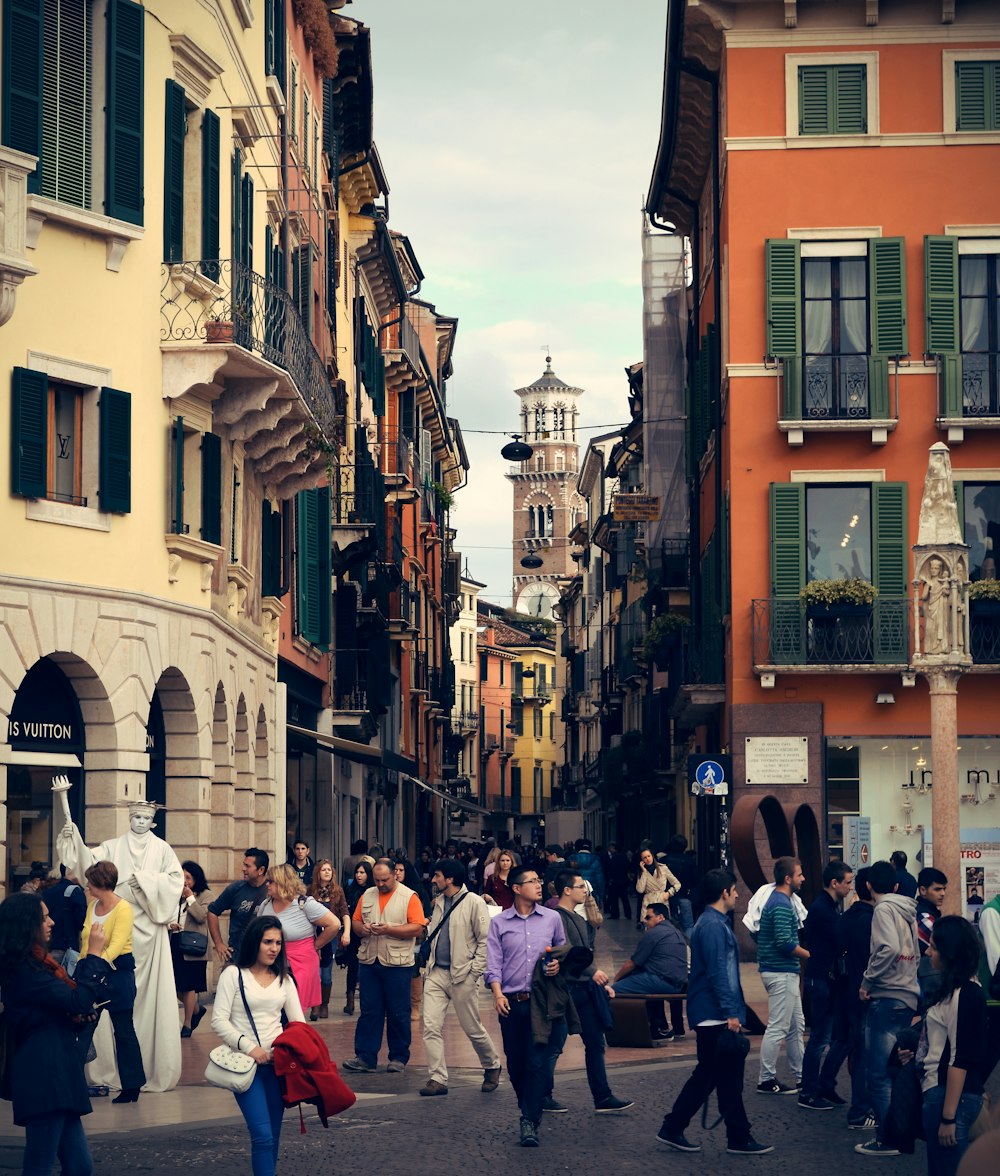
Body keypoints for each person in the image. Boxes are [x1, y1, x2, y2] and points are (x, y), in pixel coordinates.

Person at [56, 795, 182, 1093]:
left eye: (144, 818)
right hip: (112, 936)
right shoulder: (113, 846)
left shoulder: (162, 849)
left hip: (149, 930)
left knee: (138, 1005)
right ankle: (105, 1071)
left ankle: (141, 1073)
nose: (139, 822)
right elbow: (87, 861)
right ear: (129, 819)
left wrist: (147, 881)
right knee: (106, 1011)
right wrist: (73, 837)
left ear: (152, 821)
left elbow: (175, 881)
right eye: (135, 817)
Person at [656, 869, 773, 1156]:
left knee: (718, 1077)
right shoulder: (712, 926)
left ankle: (734, 1134)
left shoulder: (711, 924)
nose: (736, 894)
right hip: (714, 1014)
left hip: (713, 1011)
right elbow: (718, 972)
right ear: (724, 893)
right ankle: (725, 1134)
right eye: (733, 890)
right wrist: (731, 1012)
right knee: (713, 1076)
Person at [0, 891, 113, 1176]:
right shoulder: (26, 970)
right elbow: (77, 1000)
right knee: (40, 1163)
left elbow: (59, 1012)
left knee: (79, 1166)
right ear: (27, 924)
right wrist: (95, 954)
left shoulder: (40, 965)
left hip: (57, 1069)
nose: (51, 922)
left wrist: (76, 1018)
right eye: (44, 917)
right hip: (43, 1074)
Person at [211, 916, 306, 1176]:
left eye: (278, 942)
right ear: (255, 942)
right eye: (267, 942)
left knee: (273, 1136)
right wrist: (251, 1049)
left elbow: (299, 1024)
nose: (274, 948)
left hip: (278, 1066)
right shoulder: (234, 974)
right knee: (262, 1135)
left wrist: (285, 1050)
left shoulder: (284, 979)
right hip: (247, 1066)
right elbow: (218, 1020)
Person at [485, 862, 566, 1147]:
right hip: (510, 1002)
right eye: (532, 881)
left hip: (540, 1004)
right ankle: (529, 1105)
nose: (539, 885)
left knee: (536, 1063)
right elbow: (493, 963)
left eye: (539, 880)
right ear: (517, 888)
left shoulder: (552, 918)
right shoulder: (499, 923)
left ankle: (529, 1119)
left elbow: (562, 951)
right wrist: (497, 994)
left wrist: (557, 964)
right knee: (516, 1064)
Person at [549, 870, 633, 1113]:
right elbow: (567, 953)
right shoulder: (557, 917)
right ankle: (543, 1095)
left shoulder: (577, 917)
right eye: (580, 887)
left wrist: (595, 980)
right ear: (567, 890)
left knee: (595, 1043)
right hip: (566, 990)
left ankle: (603, 1096)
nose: (585, 890)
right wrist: (592, 971)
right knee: (555, 1045)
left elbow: (582, 952)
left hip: (584, 988)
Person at [419, 858, 502, 1097]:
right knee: (431, 1026)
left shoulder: (475, 903)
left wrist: (474, 971)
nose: (433, 880)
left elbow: (486, 940)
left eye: (437, 875)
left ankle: (492, 1064)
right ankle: (437, 1078)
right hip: (436, 973)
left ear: (450, 879)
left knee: (471, 1026)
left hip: (462, 975)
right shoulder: (438, 903)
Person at [854, 858, 920, 1157]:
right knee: (896, 1070)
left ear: (869, 886)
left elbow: (889, 948)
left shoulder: (882, 909)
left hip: (887, 995)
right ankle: (900, 1133)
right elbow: (915, 952)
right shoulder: (908, 910)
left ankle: (888, 1137)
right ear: (895, 885)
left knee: (878, 1074)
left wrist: (867, 981)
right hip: (907, 994)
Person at [343, 858, 427, 1074]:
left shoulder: (409, 896)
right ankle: (365, 1057)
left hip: (397, 963)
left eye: (385, 880)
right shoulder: (367, 894)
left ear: (395, 875)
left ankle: (398, 1057)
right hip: (370, 960)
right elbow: (356, 922)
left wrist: (389, 929)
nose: (380, 884)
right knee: (369, 1011)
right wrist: (364, 929)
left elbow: (417, 928)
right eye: (377, 880)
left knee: (398, 1011)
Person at [920, 917, 989, 1176]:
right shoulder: (957, 990)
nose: (928, 952)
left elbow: (959, 1058)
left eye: (934, 947)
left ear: (950, 953)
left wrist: (948, 1117)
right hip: (945, 1095)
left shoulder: (965, 993)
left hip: (949, 1098)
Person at [78, 860, 146, 1103]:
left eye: (90, 882)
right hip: (94, 971)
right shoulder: (93, 905)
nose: (87, 886)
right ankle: (73, 1080)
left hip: (117, 974)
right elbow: (86, 938)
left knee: (124, 1030)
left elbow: (117, 944)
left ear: (100, 883)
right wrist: (84, 967)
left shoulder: (123, 908)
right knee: (83, 1027)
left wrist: (96, 965)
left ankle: (132, 1086)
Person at [799, 860, 853, 1109]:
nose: (850, 887)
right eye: (848, 882)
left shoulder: (829, 906)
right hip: (821, 978)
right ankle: (808, 1092)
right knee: (820, 1037)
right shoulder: (823, 908)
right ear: (835, 883)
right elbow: (840, 937)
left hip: (826, 978)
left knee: (832, 1035)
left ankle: (824, 1085)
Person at [756, 856, 810, 1095]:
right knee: (778, 1027)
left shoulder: (781, 901)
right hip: (780, 972)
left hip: (783, 971)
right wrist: (811, 955)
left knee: (796, 1026)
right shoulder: (780, 903)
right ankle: (766, 1079)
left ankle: (802, 1076)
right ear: (788, 879)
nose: (803, 879)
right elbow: (784, 942)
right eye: (799, 875)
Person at [255, 864, 340, 1015]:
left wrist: (316, 945)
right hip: (272, 962)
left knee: (292, 1011)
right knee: (272, 1008)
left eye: (271, 881)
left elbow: (334, 924)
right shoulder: (266, 904)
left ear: (282, 883)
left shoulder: (304, 903)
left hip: (300, 963)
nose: (267, 884)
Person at [835, 867, 877, 1130]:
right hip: (866, 992)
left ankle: (860, 1109)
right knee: (866, 1054)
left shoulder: (846, 916)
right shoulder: (872, 919)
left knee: (857, 1051)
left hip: (848, 991)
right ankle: (861, 1111)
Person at [610, 902, 688, 1040]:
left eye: (648, 917)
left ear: (660, 917)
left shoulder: (654, 933)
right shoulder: (676, 932)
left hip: (661, 981)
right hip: (676, 983)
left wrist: (616, 979)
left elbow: (632, 963)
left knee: (614, 991)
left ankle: (614, 1028)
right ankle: (656, 1028)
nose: (644, 920)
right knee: (644, 985)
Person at [168, 860, 214, 1038]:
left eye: (188, 877)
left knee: (188, 987)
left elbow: (202, 916)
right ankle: (196, 1009)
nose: (185, 881)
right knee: (175, 985)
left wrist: (189, 897)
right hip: (176, 942)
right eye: (182, 877)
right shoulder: (174, 895)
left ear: (197, 878)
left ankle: (187, 1024)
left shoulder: (206, 895)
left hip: (194, 946)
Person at [207, 848, 270, 963]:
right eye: (243, 865)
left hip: (263, 956)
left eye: (248, 866)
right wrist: (219, 944)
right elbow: (212, 912)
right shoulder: (235, 888)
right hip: (237, 955)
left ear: (261, 870)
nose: (243, 869)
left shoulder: (272, 890)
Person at [308, 858, 350, 1020]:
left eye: (329, 870)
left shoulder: (337, 891)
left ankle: (324, 1003)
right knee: (313, 973)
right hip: (312, 935)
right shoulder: (309, 891)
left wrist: (346, 932)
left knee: (325, 974)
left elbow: (345, 913)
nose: (327, 872)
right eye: (323, 869)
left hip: (331, 937)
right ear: (318, 872)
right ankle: (315, 1006)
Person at [341, 860, 373, 1015]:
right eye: (357, 872)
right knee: (352, 966)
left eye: (363, 873)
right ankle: (350, 1001)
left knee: (367, 968)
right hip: (353, 933)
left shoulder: (373, 891)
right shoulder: (349, 888)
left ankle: (366, 1001)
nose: (359, 876)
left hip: (370, 933)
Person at [917, 867, 949, 1005]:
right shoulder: (923, 916)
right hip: (930, 976)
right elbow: (946, 945)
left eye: (944, 889)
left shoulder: (929, 912)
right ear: (923, 890)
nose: (942, 893)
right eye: (937, 889)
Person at [46, 867, 87, 971]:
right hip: (67, 947)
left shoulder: (48, 892)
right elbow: (83, 923)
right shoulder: (75, 891)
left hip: (48, 946)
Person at [634, 843, 680, 925]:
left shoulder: (663, 868)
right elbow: (640, 890)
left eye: (648, 856)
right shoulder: (642, 872)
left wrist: (669, 893)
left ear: (652, 855)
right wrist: (644, 872)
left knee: (663, 926)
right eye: (644, 858)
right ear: (642, 860)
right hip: (648, 902)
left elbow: (677, 884)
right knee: (648, 927)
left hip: (661, 899)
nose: (647, 859)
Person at [603, 842, 632, 921]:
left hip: (615, 881)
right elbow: (628, 867)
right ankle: (628, 914)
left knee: (614, 899)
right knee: (624, 898)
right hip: (623, 880)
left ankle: (615, 914)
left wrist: (610, 879)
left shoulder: (614, 857)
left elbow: (612, 869)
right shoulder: (624, 856)